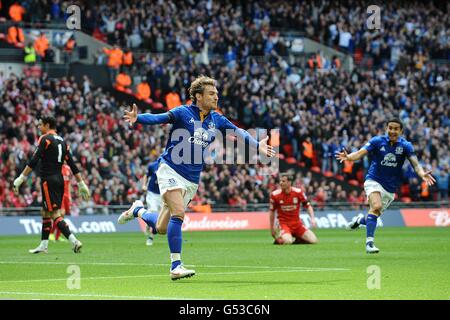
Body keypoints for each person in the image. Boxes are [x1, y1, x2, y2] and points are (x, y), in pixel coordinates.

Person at [119, 75, 276, 280]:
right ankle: (176, 265)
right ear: (198, 96)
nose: (216, 97)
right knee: (178, 214)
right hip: (170, 168)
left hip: (192, 178)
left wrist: (258, 145)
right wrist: (137, 118)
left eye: (217, 94)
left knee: (161, 228)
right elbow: (159, 118)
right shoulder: (183, 112)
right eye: (211, 94)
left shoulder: (216, 119)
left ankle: (138, 210)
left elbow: (239, 132)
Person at [336, 118, 435, 253]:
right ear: (387, 128)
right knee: (376, 206)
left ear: (401, 131)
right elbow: (360, 153)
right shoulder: (377, 141)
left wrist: (422, 174)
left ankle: (359, 220)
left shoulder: (406, 146)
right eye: (390, 128)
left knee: (374, 214)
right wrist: (349, 157)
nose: (392, 131)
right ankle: (369, 244)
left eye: (396, 129)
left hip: (390, 188)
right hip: (373, 180)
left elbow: (416, 164)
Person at [13, 116, 91, 254]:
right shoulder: (63, 142)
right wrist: (81, 183)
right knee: (45, 212)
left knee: (54, 213)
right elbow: (72, 164)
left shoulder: (45, 139)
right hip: (60, 180)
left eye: (40, 125)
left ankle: (74, 241)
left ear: (47, 125)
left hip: (48, 180)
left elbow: (34, 160)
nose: (38, 127)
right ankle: (44, 245)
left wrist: (21, 177)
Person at [270, 173, 318, 245]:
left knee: (313, 240)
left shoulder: (298, 192)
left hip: (297, 224)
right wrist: (272, 228)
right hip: (283, 224)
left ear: (289, 182)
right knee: (288, 241)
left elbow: (308, 206)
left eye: (283, 181)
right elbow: (272, 211)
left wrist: (312, 219)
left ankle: (297, 238)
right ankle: (280, 238)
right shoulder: (275, 195)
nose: (280, 183)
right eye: (280, 181)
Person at [141, 159, 162, 246]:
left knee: (160, 218)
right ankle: (150, 236)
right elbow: (146, 175)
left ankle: (151, 236)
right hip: (152, 193)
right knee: (153, 212)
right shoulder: (153, 165)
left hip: (163, 194)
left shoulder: (171, 166)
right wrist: (144, 185)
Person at [50, 163, 72, 242]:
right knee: (60, 214)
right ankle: (51, 233)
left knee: (62, 216)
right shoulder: (56, 167)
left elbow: (69, 183)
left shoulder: (68, 168)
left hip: (66, 195)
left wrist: (69, 195)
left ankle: (57, 236)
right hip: (59, 194)